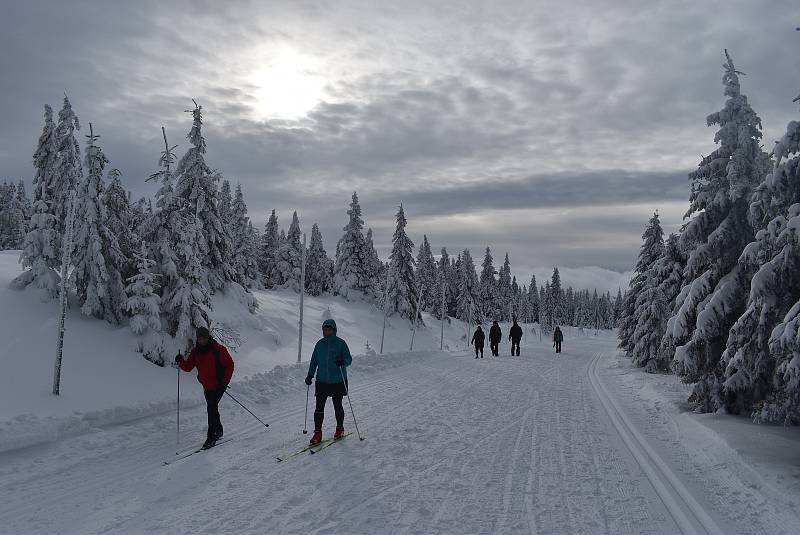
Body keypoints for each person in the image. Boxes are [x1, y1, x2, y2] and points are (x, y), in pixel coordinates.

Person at [175, 326, 235, 449]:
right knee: (213, 408)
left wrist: (224, 382)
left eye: (204, 338)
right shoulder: (195, 351)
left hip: (219, 385)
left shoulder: (218, 349)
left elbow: (230, 365)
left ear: (208, 337)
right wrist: (180, 360)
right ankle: (219, 431)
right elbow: (188, 367)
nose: (202, 341)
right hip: (207, 386)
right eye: (199, 338)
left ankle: (211, 437)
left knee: (211, 409)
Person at [305, 319, 352, 445]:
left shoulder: (341, 343)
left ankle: (339, 429)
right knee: (319, 408)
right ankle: (318, 433)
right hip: (322, 381)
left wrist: (343, 361)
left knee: (338, 406)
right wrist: (310, 375)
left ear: (334, 330)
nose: (327, 331)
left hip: (337, 380)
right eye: (325, 329)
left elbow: (349, 359)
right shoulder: (319, 344)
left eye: (329, 329)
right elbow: (314, 361)